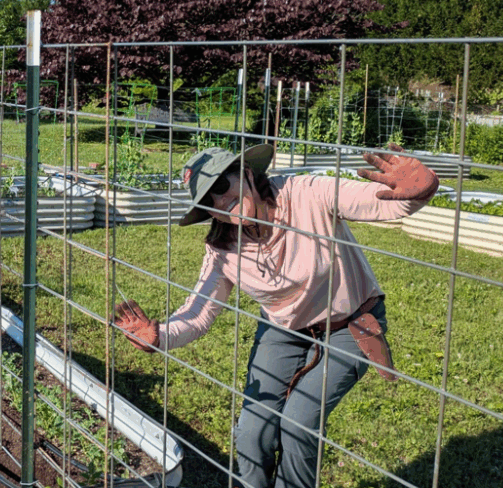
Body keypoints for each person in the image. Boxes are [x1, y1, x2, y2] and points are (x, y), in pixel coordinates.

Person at [113, 143, 438, 488]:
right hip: (284, 328)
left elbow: (380, 200)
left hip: (349, 323)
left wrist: (418, 191)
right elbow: (198, 312)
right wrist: (160, 336)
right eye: (208, 200)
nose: (220, 201)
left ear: (247, 174)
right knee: (252, 433)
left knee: (299, 424)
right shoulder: (223, 247)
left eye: (221, 185)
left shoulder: (304, 193)